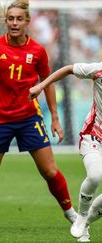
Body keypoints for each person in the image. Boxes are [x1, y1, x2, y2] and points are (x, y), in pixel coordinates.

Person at [0, 0, 77, 226]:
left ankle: (70, 212)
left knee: (49, 171)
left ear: (27, 22)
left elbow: (48, 82)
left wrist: (55, 118)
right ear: (6, 21)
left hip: (29, 118)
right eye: (11, 19)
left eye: (19, 19)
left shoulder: (37, 50)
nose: (14, 23)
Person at [29, 62, 102, 242]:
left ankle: (83, 223)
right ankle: (82, 215)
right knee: (95, 176)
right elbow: (69, 69)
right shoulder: (98, 70)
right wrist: (41, 85)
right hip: (94, 136)